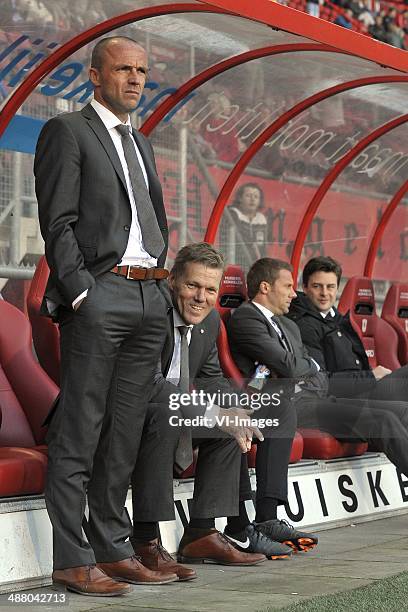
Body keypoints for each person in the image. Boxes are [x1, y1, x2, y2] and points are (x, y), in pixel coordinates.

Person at [34, 36, 176, 596]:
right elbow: (58, 223)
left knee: (122, 436)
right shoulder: (68, 131)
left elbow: (154, 221)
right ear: (95, 75)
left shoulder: (140, 141)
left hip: (148, 297)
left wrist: (159, 289)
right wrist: (81, 294)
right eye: (124, 69)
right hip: (101, 295)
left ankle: (112, 549)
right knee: (80, 431)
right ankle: (71, 558)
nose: (136, 79)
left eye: (142, 70)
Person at [131, 244, 315, 571]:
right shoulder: (151, 312)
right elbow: (153, 386)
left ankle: (202, 532)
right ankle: (146, 540)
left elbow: (213, 380)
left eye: (210, 289)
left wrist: (237, 415)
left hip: (174, 409)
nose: (201, 297)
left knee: (230, 429)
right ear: (172, 281)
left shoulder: (211, 320)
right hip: (133, 413)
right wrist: (219, 413)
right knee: (168, 414)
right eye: (192, 286)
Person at [228, 258, 408, 499]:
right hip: (290, 403)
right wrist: (308, 370)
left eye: (331, 287)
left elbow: (312, 370)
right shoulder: (249, 317)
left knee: (401, 410)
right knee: (384, 418)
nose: (294, 295)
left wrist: (308, 371)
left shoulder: (290, 324)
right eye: (289, 287)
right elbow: (291, 366)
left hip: (316, 396)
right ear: (265, 287)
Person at [288, 256, 408, 401]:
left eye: (330, 286)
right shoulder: (304, 325)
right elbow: (320, 381)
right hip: (347, 397)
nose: (324, 293)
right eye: (317, 286)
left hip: (365, 388)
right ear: (305, 288)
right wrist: (372, 376)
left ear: (337, 288)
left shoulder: (339, 319)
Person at [220, 182, 268, 272]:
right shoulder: (232, 213)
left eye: (256, 196)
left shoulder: (261, 218)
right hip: (234, 262)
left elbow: (263, 247)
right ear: (240, 198)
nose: (252, 199)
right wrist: (252, 245)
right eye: (248, 195)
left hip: (255, 267)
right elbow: (237, 237)